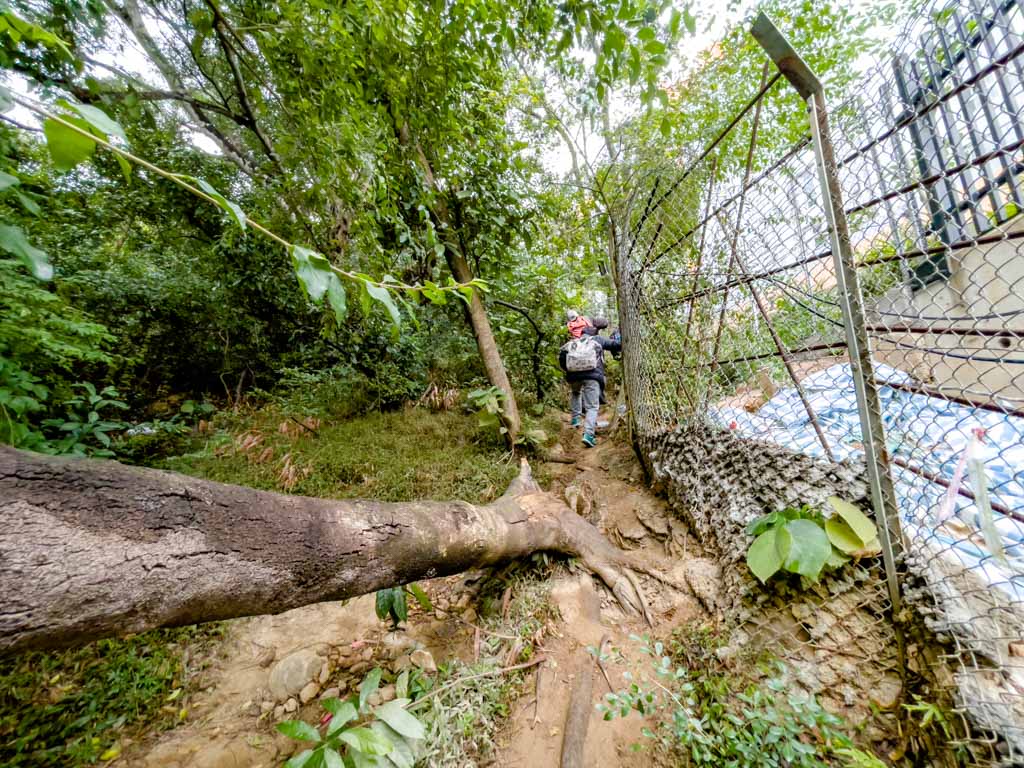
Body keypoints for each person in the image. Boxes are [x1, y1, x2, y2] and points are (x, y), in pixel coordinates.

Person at [559, 316, 621, 448]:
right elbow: (615, 345)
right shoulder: (597, 339)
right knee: (592, 407)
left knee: (576, 393)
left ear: (582, 333)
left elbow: (562, 359)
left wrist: (571, 370)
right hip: (592, 376)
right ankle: (588, 434)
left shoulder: (573, 343)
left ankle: (575, 419)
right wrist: (620, 337)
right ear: (595, 332)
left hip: (574, 376)